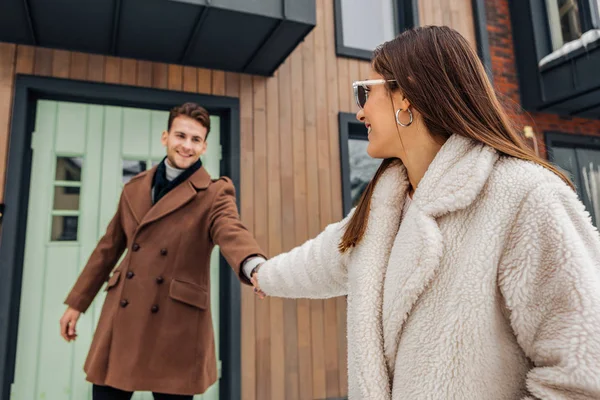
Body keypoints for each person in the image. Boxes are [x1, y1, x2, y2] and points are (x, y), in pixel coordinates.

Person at [250, 26, 600, 399]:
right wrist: (261, 273)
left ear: (406, 96)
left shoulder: (526, 196)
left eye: (364, 91)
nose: (359, 109)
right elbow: (320, 259)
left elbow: (583, 372)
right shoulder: (383, 211)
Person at [60, 102, 266, 400]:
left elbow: (230, 230)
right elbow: (108, 248)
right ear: (165, 137)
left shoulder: (214, 193)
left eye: (195, 140)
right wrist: (76, 304)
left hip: (176, 323)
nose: (187, 145)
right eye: (180, 136)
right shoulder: (134, 187)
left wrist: (253, 264)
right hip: (124, 315)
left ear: (204, 146)